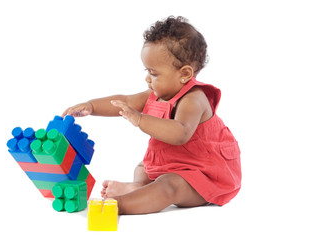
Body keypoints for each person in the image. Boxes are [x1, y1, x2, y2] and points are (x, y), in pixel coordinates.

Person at [62, 16, 241, 215]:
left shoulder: (194, 99)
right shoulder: (157, 94)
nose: (147, 79)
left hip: (204, 174)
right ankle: (139, 188)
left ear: (185, 74)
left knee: (169, 185)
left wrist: (140, 119)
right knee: (143, 167)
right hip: (173, 161)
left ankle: (121, 204)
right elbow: (126, 101)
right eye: (146, 70)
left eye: (154, 73)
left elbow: (180, 133)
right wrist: (91, 106)